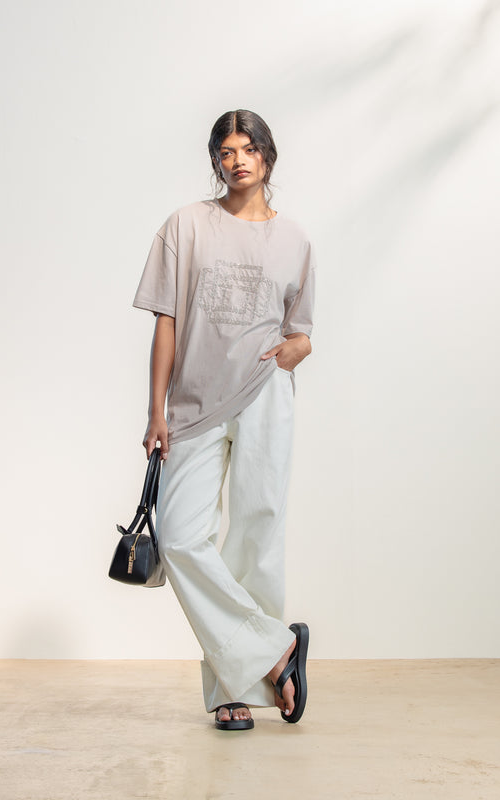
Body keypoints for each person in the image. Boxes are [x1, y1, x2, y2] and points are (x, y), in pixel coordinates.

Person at [133, 109, 316, 730]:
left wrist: (296, 349)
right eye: (226, 151)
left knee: (256, 535)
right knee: (182, 538)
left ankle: (234, 691)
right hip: (195, 400)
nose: (237, 160)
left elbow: (301, 330)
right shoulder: (185, 226)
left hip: (265, 392)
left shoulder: (295, 240)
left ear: (267, 155)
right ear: (215, 160)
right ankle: (275, 651)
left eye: (248, 148)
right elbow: (166, 322)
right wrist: (156, 410)